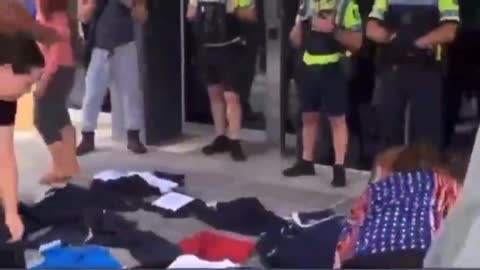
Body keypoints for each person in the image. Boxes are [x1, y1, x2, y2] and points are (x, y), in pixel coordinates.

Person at [282, 0, 363, 187]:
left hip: (334, 69)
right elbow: (295, 41)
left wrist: (333, 30)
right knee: (308, 116)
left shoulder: (346, 5)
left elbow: (357, 42)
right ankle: (306, 161)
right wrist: (299, 25)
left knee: (337, 120)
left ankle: (339, 167)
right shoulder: (307, 3)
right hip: (309, 67)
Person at [0, 0, 59, 243]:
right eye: (27, 83)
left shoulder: (6, 98)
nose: (28, 92)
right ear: (5, 68)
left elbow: (5, 157)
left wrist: (12, 213)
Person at [366, 0, 459, 150]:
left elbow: (449, 31)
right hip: (392, 68)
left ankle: (425, 172)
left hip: (427, 69)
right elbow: (371, 29)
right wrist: (395, 39)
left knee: (426, 135)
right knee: (387, 129)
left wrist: (415, 44)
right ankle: (388, 171)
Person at [186, 0, 257, 161]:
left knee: (232, 96)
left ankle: (234, 140)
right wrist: (196, 8)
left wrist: (233, 9)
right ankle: (220, 137)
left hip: (231, 49)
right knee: (214, 95)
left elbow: (251, 15)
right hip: (207, 48)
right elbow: (190, 15)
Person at [76, 0, 148, 156]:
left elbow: (142, 16)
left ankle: (133, 136)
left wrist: (131, 4)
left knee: (131, 92)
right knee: (92, 94)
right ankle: (87, 136)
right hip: (99, 47)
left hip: (126, 44)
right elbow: (83, 16)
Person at [33, 0, 80, 186]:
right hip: (66, 71)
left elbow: (54, 51)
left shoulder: (49, 16)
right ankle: (71, 165)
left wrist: (44, 79)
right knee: (60, 117)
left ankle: (60, 168)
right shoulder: (62, 14)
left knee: (43, 120)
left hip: (55, 72)